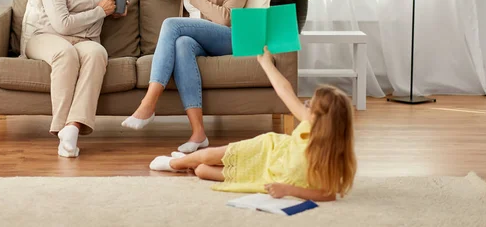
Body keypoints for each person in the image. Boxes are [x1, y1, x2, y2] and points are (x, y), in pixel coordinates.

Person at [149, 46, 357, 202]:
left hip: (265, 174)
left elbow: (328, 194)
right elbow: (284, 90)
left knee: (203, 170)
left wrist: (288, 190)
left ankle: (189, 161)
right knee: (207, 155)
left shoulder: (332, 157)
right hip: (267, 150)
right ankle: (175, 163)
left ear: (324, 121)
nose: (306, 104)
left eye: (311, 105)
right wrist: (265, 62)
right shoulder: (309, 120)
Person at [121, 0, 249, 153]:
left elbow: (227, 18)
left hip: (226, 37)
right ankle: (198, 133)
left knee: (172, 25)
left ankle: (148, 104)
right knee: (182, 44)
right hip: (198, 41)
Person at [25, 0, 127, 158]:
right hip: (48, 37)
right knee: (66, 54)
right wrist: (101, 11)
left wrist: (121, 7)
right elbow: (62, 24)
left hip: (86, 39)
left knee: (97, 53)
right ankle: (60, 127)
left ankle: (73, 127)